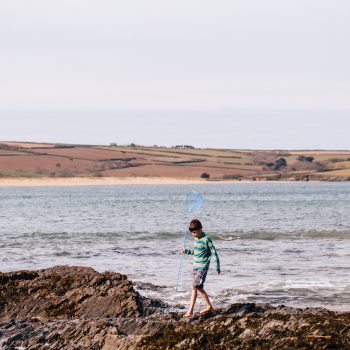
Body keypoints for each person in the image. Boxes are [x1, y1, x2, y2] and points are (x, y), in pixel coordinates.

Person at [180, 219, 220, 317]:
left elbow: (214, 253)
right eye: (192, 233)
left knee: (194, 286)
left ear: (200, 229)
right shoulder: (196, 239)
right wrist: (186, 251)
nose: (193, 234)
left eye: (194, 232)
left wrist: (217, 267)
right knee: (199, 288)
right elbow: (195, 251)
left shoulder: (206, 239)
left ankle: (190, 311)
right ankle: (209, 306)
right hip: (195, 267)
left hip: (202, 268)